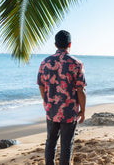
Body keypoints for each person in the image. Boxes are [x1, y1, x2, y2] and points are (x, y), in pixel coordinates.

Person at [37, 30, 87, 165]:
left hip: (52, 110)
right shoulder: (77, 63)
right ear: (70, 44)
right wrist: (83, 111)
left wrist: (46, 101)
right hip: (69, 112)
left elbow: (41, 85)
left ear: (55, 44)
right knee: (66, 145)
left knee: (50, 142)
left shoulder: (45, 62)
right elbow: (80, 90)